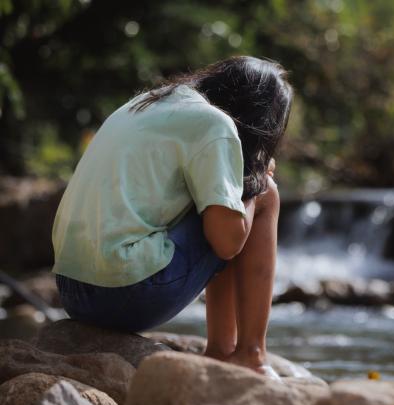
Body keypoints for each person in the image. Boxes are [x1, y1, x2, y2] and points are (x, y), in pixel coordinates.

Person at [52, 56, 293, 377]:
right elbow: (227, 243)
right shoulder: (214, 124)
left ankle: (222, 350)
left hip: (69, 288)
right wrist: (257, 177)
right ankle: (251, 354)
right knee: (263, 194)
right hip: (122, 294)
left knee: (222, 199)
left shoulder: (144, 104)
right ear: (258, 119)